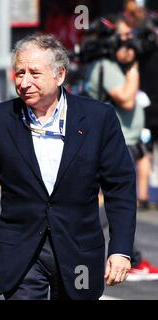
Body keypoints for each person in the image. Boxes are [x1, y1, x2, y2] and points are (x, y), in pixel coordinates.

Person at [0, 34, 136, 300]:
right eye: (19, 73)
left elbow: (120, 187)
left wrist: (120, 250)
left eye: (34, 73)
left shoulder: (98, 118)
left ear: (59, 75)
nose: (24, 82)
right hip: (21, 253)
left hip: (79, 252)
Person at [86, 16, 158, 280]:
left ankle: (132, 257)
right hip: (116, 142)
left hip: (126, 140)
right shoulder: (107, 66)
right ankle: (83, 237)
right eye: (125, 39)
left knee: (125, 201)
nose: (130, 45)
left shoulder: (110, 64)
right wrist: (134, 67)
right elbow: (126, 100)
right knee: (119, 201)